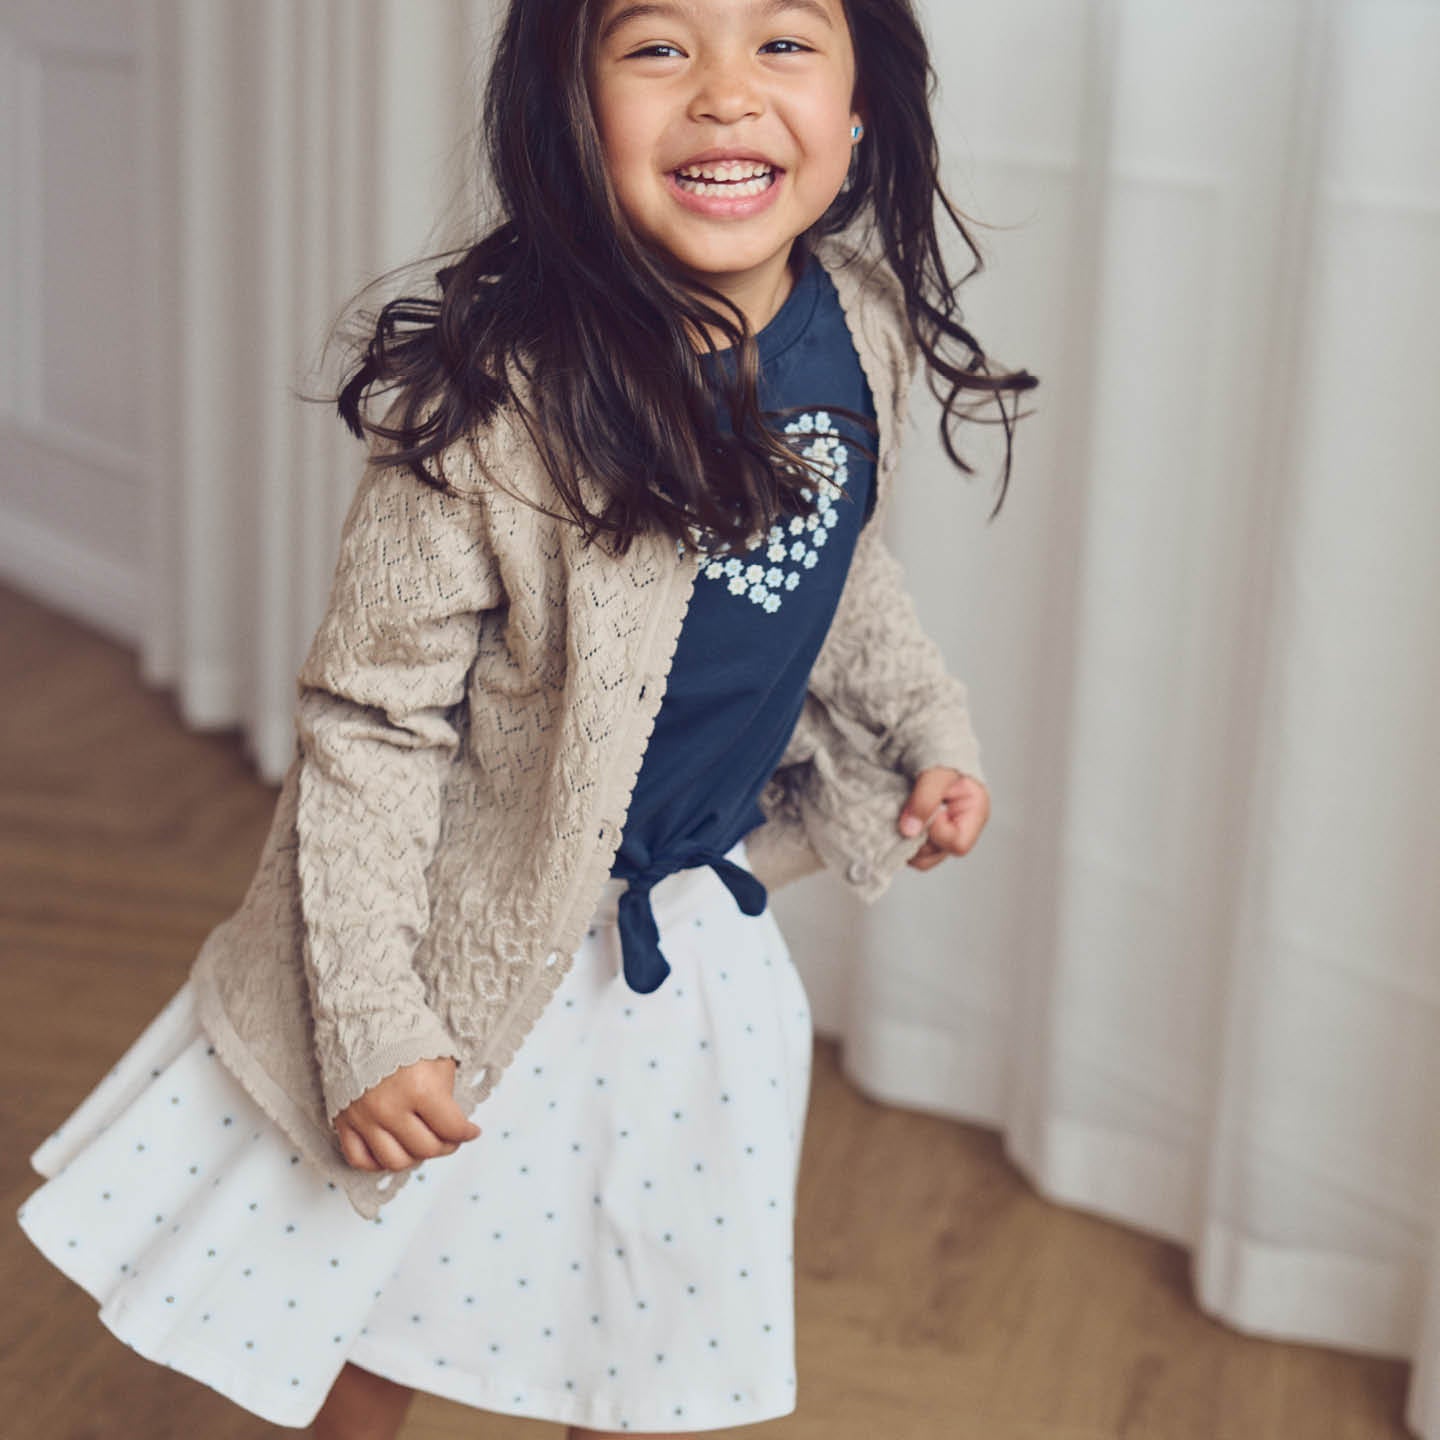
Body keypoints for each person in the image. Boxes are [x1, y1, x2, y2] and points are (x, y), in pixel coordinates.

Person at [15, 0, 1036, 1435]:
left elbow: (838, 562)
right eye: (660, 46)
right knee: (369, 1288)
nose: (726, 93)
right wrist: (374, 1022)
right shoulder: (499, 399)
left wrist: (927, 727)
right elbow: (371, 725)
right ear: (571, 107)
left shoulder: (856, 327)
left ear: (861, 106)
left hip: (683, 931)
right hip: (464, 943)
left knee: (650, 1319)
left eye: (784, 43)